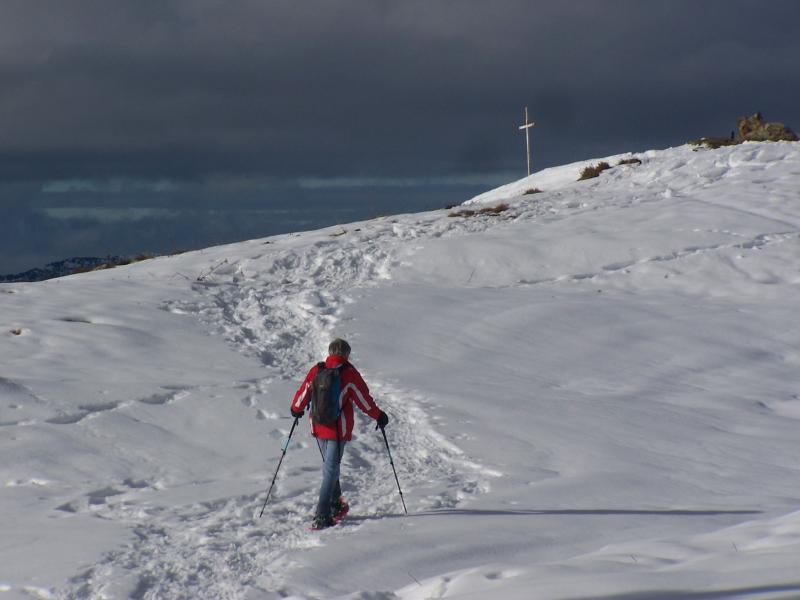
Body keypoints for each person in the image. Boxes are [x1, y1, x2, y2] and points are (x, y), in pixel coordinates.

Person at [290, 338, 389, 529]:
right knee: (330, 469)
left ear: (329, 352)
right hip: (337, 429)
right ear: (346, 354)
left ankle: (336, 504)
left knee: (330, 466)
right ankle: (322, 514)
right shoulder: (349, 374)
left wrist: (296, 408)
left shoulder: (316, 370)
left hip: (318, 426)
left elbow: (304, 391)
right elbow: (364, 400)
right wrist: (379, 416)